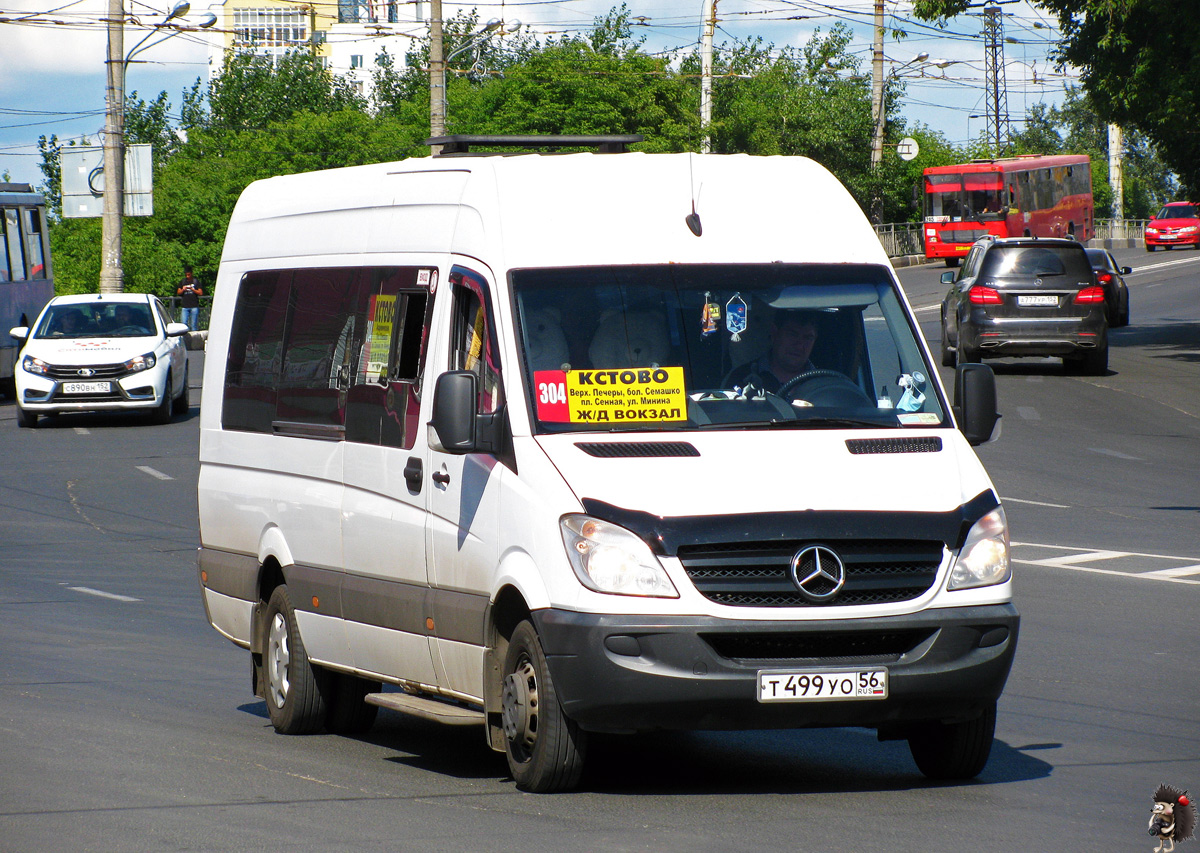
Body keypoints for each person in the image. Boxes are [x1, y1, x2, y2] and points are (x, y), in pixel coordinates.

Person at [725, 309, 820, 395]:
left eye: (808, 338)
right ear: (774, 333)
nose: (799, 345)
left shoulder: (823, 383)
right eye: (792, 335)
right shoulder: (742, 378)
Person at [177, 266, 203, 331]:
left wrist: (192, 289)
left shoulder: (195, 281)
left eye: (189, 275)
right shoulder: (183, 282)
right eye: (186, 275)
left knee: (193, 325)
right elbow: (178, 292)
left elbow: (200, 292)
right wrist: (183, 289)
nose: (187, 276)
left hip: (194, 306)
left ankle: (194, 339)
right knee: (184, 324)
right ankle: (185, 338)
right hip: (185, 306)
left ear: (191, 274)